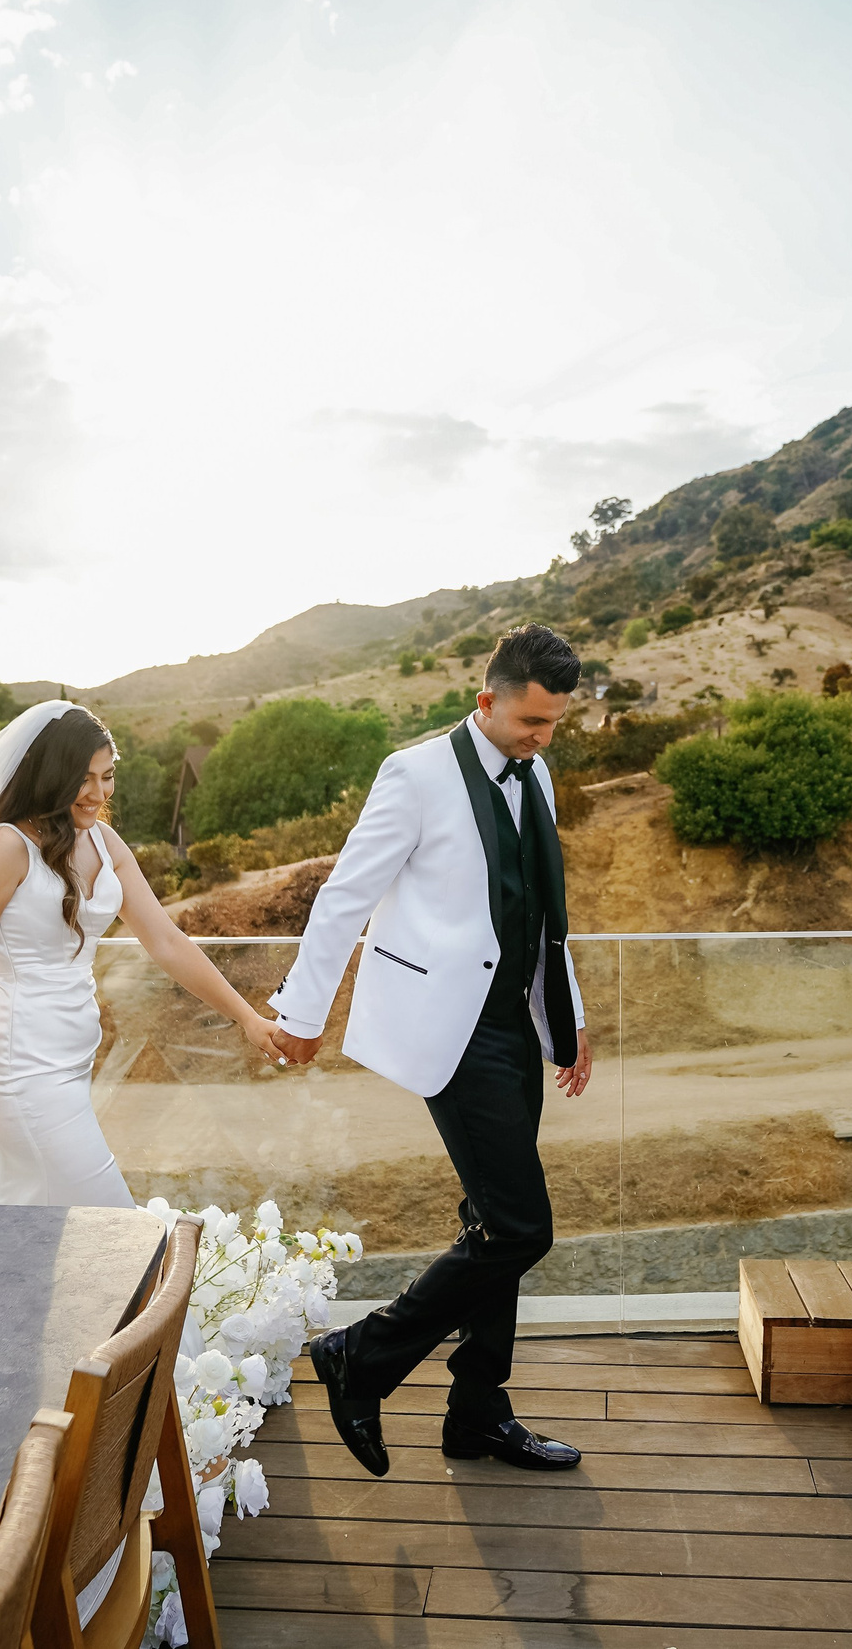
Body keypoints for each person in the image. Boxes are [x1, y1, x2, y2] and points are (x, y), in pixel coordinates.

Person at [271, 625, 593, 1476]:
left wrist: (569, 1019)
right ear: (486, 701)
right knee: (521, 1226)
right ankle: (361, 1354)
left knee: (492, 1218)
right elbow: (344, 897)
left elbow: (543, 914)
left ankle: (477, 1411)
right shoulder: (414, 775)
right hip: (452, 1029)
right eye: (530, 720)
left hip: (514, 1024)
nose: (543, 737)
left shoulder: (536, 772)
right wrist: (303, 1011)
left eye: (553, 723)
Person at [0, 705, 285, 1204]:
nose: (99, 794)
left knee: (27, 1215)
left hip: (75, 1061)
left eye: (107, 776)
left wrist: (248, 1019)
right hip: (23, 1068)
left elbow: (167, 942)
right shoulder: (6, 847)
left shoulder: (103, 841)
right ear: (50, 777)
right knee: (110, 1221)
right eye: (83, 779)